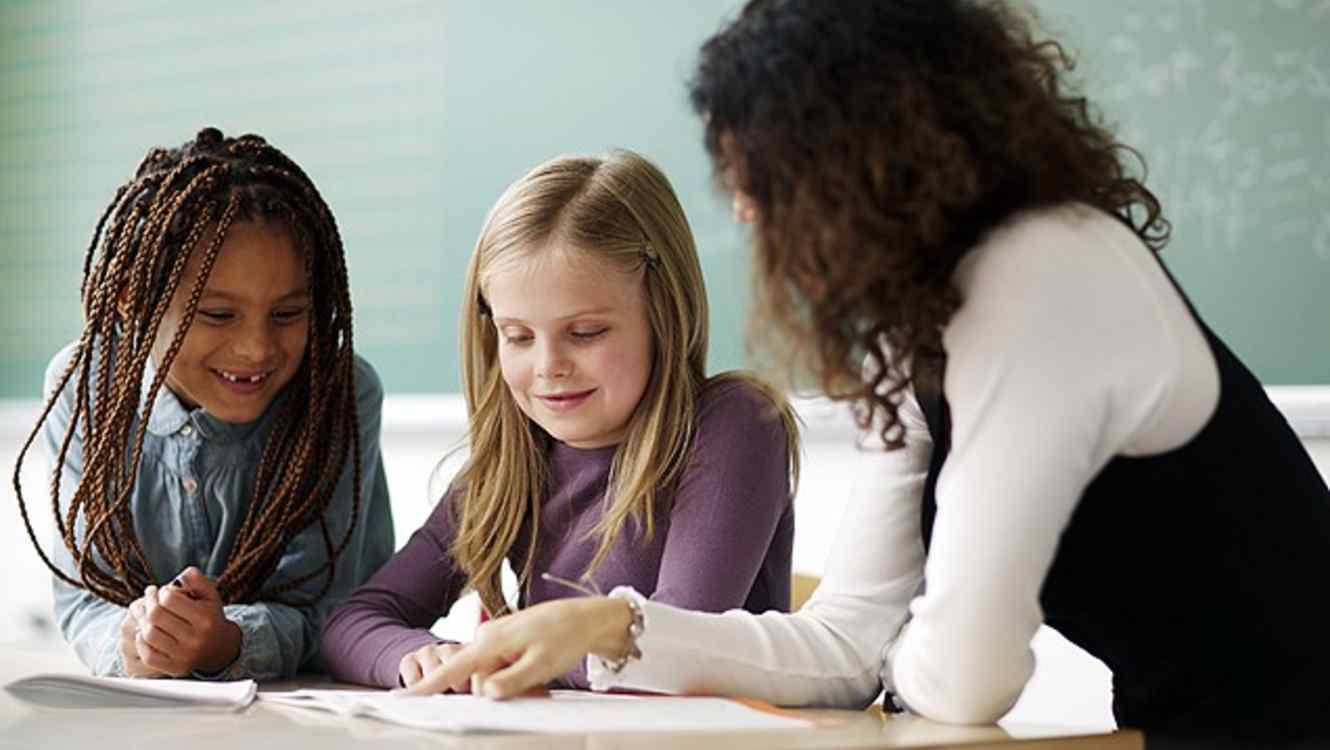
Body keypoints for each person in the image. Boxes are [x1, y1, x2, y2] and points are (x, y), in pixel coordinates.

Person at [407, 2, 1330, 745]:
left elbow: (969, 677)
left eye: (755, 174)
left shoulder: (1046, 277)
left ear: (858, 158)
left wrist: (905, 659)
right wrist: (611, 629)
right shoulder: (915, 328)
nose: (744, 209)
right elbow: (848, 647)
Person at [320, 149, 800, 692]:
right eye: (518, 336)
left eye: (586, 333)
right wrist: (416, 655)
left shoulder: (735, 424)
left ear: (664, 313)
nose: (548, 366)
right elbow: (352, 622)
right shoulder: (512, 466)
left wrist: (506, 656)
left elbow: (673, 645)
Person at [12, 127, 394, 681]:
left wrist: (229, 643)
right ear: (133, 302)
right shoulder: (84, 387)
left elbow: (337, 610)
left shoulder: (338, 393)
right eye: (217, 314)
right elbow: (85, 601)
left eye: (288, 314)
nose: (257, 348)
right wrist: (132, 647)